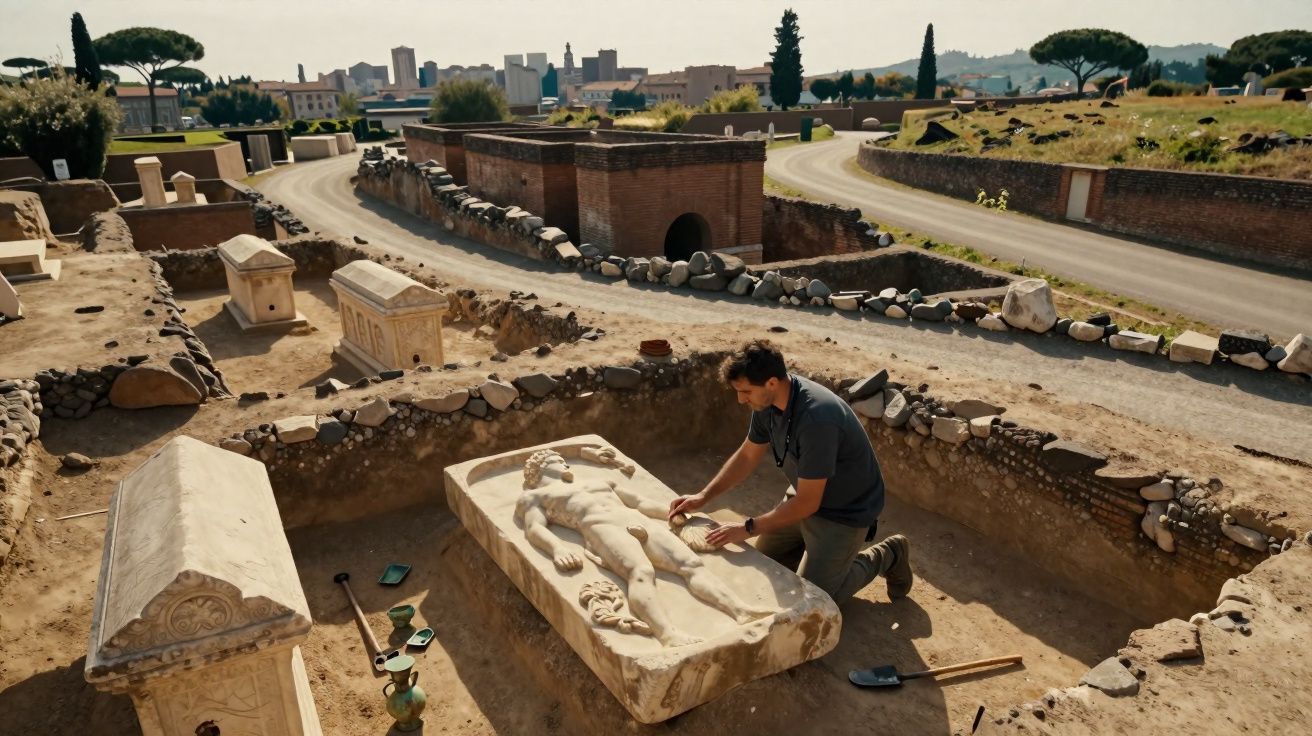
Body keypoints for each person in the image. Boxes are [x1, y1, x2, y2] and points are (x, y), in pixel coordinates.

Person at [669, 340, 912, 605]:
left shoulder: (817, 418)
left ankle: (888, 554)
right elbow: (748, 455)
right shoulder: (768, 402)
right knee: (766, 566)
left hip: (844, 511)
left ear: (771, 383)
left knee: (815, 602)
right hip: (803, 496)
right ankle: (815, 553)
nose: (741, 400)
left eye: (745, 392)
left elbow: (808, 502)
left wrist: (748, 527)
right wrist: (703, 497)